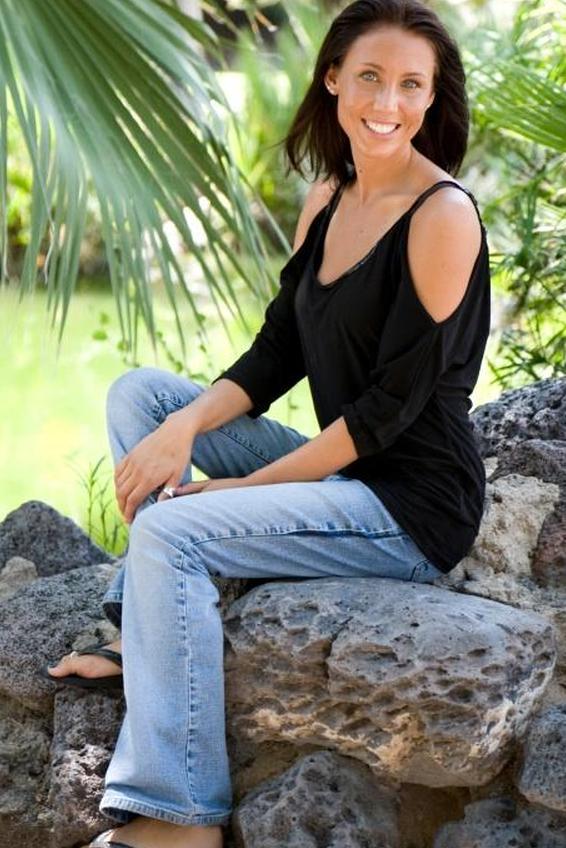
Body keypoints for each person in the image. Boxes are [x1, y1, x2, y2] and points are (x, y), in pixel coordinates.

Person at [46, 0, 491, 845]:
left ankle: (179, 816)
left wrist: (239, 491)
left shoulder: (443, 215)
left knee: (174, 531)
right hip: (345, 473)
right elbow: (277, 353)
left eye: (410, 84)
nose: (387, 102)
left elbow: (383, 415)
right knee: (142, 399)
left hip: (410, 507)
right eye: (369, 76)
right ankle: (144, 631)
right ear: (333, 80)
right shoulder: (329, 199)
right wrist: (183, 429)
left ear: (432, 98)